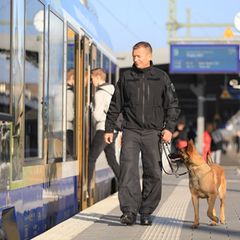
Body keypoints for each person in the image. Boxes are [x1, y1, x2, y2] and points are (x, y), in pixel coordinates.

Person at [104, 41, 180, 226]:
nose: (135, 59)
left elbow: (172, 105)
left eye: (139, 56)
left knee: (153, 172)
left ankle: (146, 211)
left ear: (149, 56)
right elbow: (115, 105)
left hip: (153, 133)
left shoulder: (161, 78)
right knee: (128, 171)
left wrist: (169, 128)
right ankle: (129, 212)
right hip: (130, 131)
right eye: (134, 56)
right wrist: (109, 128)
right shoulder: (126, 77)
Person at [88, 68, 120, 186]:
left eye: (92, 78)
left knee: (91, 158)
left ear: (98, 77)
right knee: (111, 159)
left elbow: (97, 115)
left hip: (103, 129)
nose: (92, 82)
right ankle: (124, 183)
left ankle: (87, 185)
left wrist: (91, 109)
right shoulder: (112, 89)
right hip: (114, 129)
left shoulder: (100, 93)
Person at [66, 69, 75, 157]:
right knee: (72, 152)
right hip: (67, 127)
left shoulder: (61, 90)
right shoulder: (70, 93)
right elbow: (69, 114)